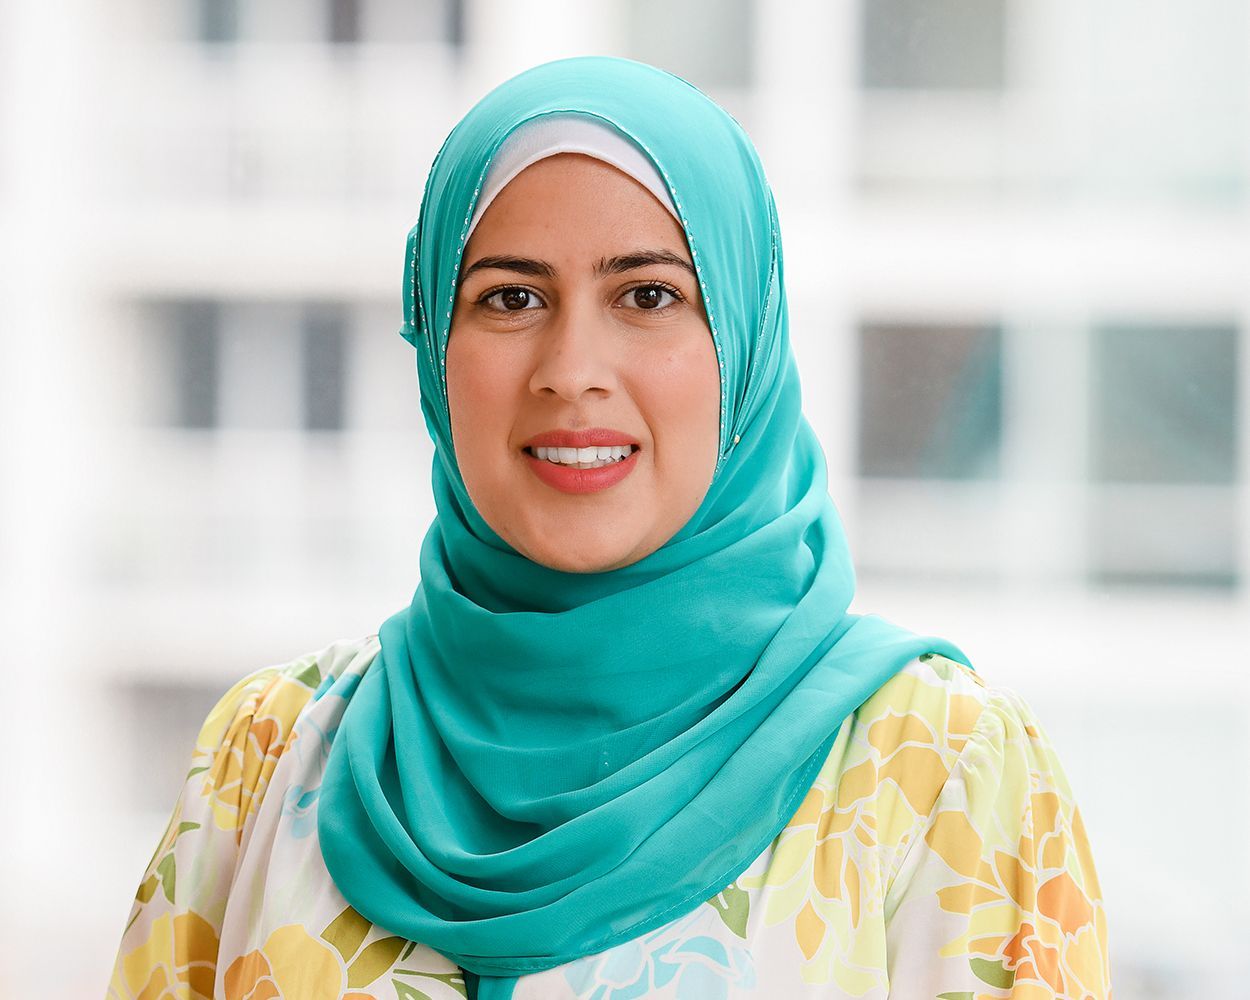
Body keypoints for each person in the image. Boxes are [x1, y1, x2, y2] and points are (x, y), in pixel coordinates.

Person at [107, 56, 1111, 1000]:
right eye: (510, 297)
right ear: (433, 346)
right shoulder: (272, 754)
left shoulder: (938, 771)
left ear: (745, 342)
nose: (571, 369)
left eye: (647, 295)